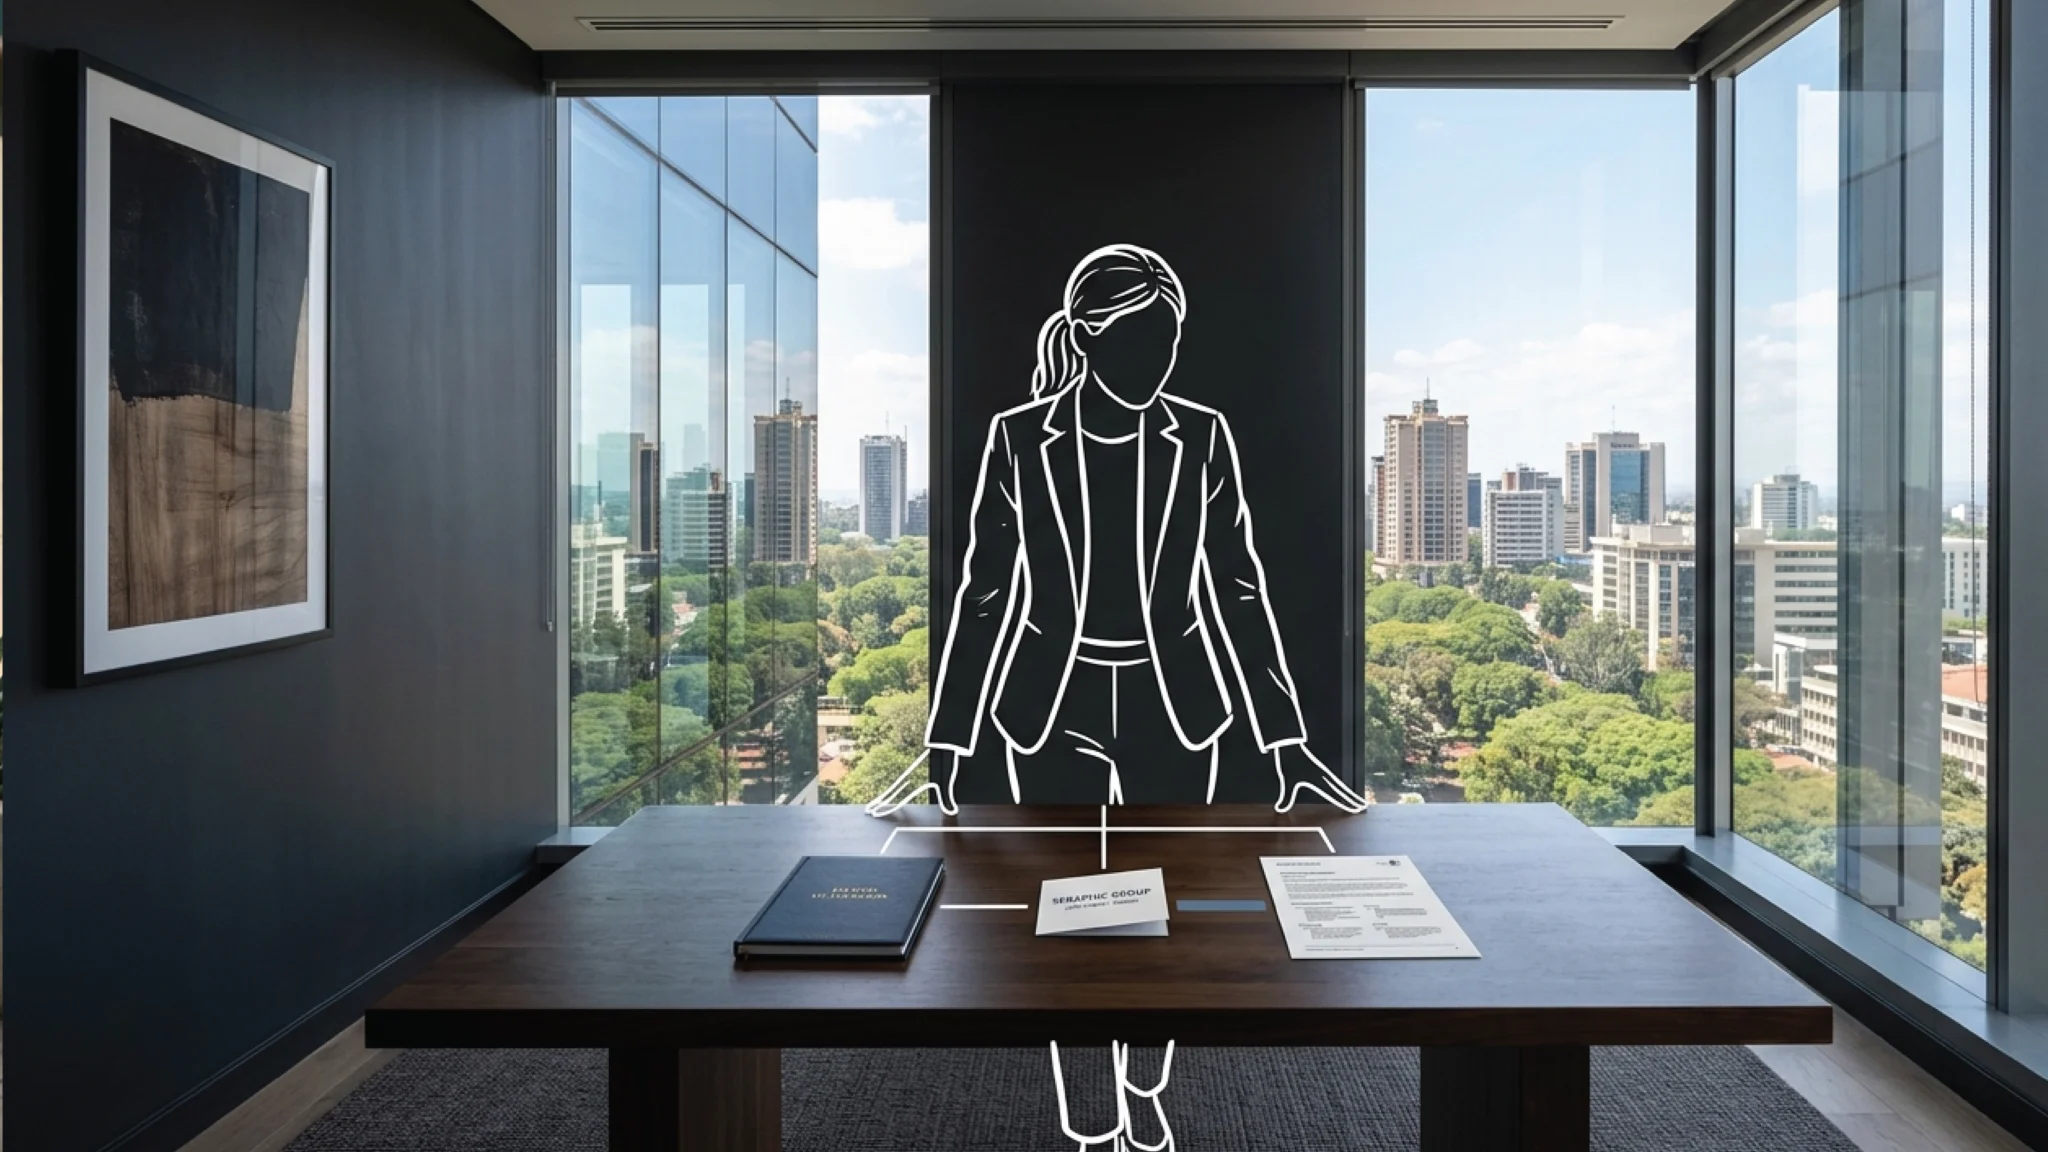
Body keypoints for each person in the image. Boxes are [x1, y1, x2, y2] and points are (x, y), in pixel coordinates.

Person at [866, 243, 1367, 815]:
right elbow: (985, 596)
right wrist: (949, 744)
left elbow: (1237, 587)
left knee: (1175, 883)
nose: (1158, 361)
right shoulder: (1020, 438)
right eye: (1138, 341)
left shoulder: (1202, 435)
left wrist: (1283, 738)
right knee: (1050, 889)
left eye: (1168, 342)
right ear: (1086, 338)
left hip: (1175, 700)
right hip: (1049, 703)